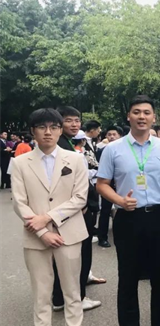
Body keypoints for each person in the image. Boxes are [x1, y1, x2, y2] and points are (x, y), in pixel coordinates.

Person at [96, 95, 160, 326]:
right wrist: (120, 200)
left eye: (146, 112)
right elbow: (102, 183)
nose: (141, 116)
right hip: (128, 218)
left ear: (154, 117)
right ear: (129, 116)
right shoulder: (113, 149)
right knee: (129, 279)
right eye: (136, 112)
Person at [11, 108, 91, 326]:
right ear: (32, 131)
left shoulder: (75, 159)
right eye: (42, 127)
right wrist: (43, 231)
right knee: (41, 295)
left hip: (70, 234)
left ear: (60, 130)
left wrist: (48, 218)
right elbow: (19, 202)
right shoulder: (20, 163)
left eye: (54, 127)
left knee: (72, 292)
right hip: (36, 238)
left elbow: (80, 197)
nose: (48, 132)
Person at [53, 107, 102, 311]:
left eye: (77, 120)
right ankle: (78, 298)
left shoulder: (67, 143)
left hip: (73, 209)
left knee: (65, 255)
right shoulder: (62, 147)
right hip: (76, 210)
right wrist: (82, 206)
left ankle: (59, 297)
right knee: (79, 254)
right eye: (69, 120)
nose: (74, 124)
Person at [96, 125, 123, 247]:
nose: (112, 137)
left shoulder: (126, 150)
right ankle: (102, 237)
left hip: (122, 184)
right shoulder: (101, 151)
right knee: (105, 211)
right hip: (107, 184)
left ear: (120, 136)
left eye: (114, 134)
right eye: (109, 134)